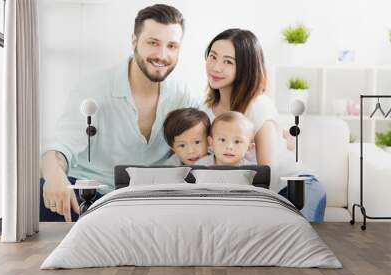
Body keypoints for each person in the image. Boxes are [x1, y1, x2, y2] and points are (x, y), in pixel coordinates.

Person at [40, 4, 199, 222]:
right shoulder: (94, 88)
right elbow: (60, 148)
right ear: (134, 41)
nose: (162, 55)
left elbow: (205, 140)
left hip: (147, 200)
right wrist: (54, 175)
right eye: (153, 43)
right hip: (91, 195)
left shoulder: (183, 96)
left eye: (172, 46)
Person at [199, 29, 326, 222]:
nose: (215, 67)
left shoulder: (258, 105)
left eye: (228, 62)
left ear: (245, 68)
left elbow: (267, 174)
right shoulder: (206, 111)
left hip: (296, 186)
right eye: (213, 57)